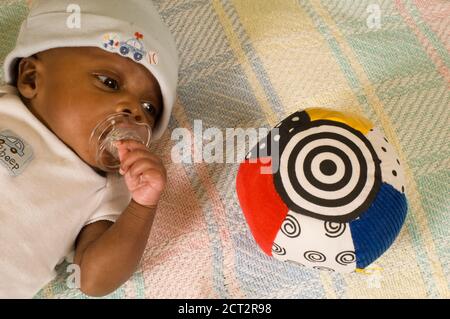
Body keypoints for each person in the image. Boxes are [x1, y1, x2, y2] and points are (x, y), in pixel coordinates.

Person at [0, 0, 179, 298]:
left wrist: (143, 206)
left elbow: (93, 281)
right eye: (110, 82)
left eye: (149, 108)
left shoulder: (110, 184)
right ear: (31, 78)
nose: (134, 110)